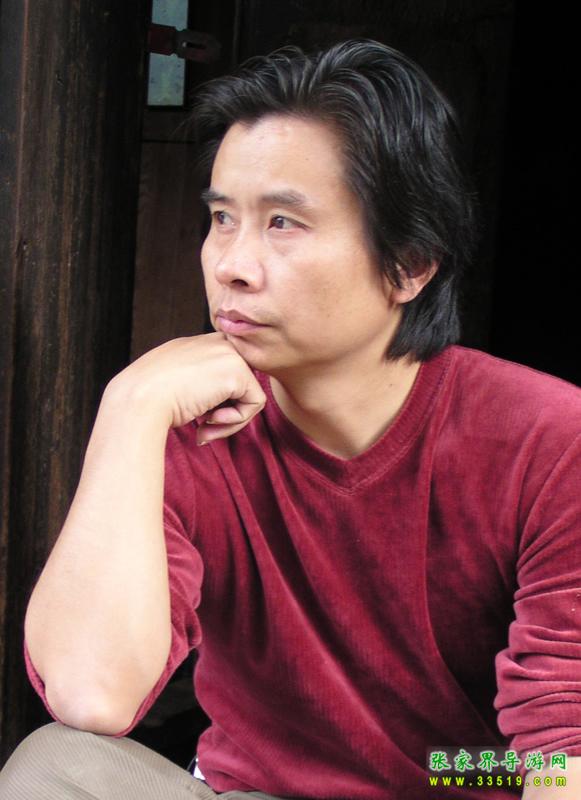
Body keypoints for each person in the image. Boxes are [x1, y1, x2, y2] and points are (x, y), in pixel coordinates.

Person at [0, 39, 580, 800]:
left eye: (283, 222)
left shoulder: (547, 438)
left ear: (409, 263)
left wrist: (450, 779)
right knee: (52, 765)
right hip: (253, 794)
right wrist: (130, 407)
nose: (230, 265)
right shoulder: (189, 428)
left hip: (458, 789)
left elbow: (562, 753)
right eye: (222, 218)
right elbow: (90, 696)